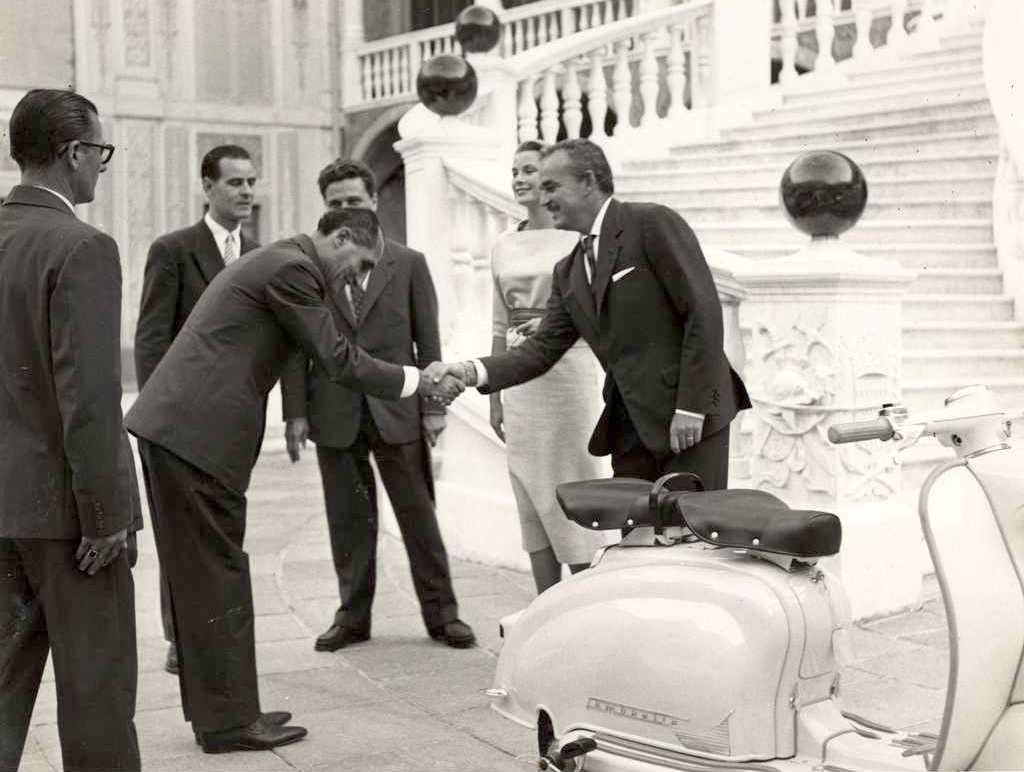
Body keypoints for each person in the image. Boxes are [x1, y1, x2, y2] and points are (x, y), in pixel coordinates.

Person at [125, 207, 462, 754]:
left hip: (184, 434)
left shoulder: (280, 260)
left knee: (205, 577)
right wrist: (416, 380)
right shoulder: (293, 270)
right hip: (196, 438)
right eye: (360, 263)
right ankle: (230, 722)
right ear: (341, 237)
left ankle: (222, 712)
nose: (357, 276)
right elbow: (337, 359)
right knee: (217, 576)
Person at [442, 138, 750, 487]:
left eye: (551, 187)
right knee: (634, 539)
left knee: (692, 533)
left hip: (689, 421)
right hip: (628, 428)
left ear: (588, 182)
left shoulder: (651, 222)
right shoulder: (568, 271)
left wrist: (693, 408)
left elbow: (703, 312)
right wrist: (470, 371)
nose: (543, 200)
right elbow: (541, 350)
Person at [0, 88, 141, 772]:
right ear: (72, 154)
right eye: (100, 153)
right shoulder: (82, 247)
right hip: (66, 517)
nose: (101, 168)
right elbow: (87, 398)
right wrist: (106, 515)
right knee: (97, 696)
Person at [281, 159, 475, 651]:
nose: (346, 211)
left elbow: (427, 342)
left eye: (354, 201)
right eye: (335, 204)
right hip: (334, 410)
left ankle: (443, 615)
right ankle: (352, 617)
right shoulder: (312, 266)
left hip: (399, 409)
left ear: (374, 201)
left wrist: (434, 407)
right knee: (347, 520)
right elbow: (295, 345)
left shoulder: (408, 263)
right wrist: (296, 411)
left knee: (418, 517)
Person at [134, 144, 259, 675]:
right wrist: (165, 418)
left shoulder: (258, 255)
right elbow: (151, 340)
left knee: (222, 539)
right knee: (180, 536)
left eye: (252, 182)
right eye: (235, 183)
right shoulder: (174, 250)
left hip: (234, 423)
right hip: (183, 425)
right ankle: (180, 638)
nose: (247, 192)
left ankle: (211, 636)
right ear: (207, 187)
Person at [489, 141, 610, 593]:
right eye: (515, 171)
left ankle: (582, 598)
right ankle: (544, 600)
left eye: (531, 171)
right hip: (520, 380)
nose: (520, 179)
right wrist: (496, 395)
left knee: (571, 483)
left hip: (568, 372)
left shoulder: (577, 238)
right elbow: (499, 323)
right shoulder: (502, 244)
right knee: (527, 490)